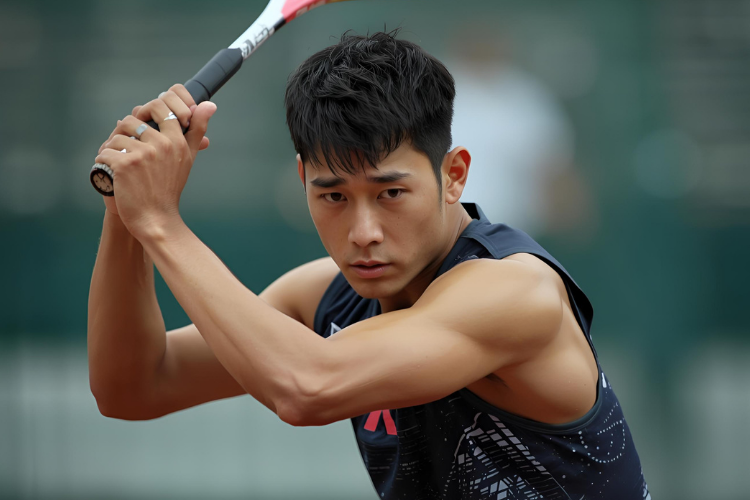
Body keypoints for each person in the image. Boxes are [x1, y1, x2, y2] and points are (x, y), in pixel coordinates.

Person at [88, 31, 649, 499]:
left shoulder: (516, 291)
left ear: (453, 175)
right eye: (333, 196)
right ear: (304, 180)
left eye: (390, 193)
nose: (364, 233)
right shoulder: (324, 296)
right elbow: (134, 387)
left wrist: (159, 221)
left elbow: (307, 386)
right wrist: (126, 207)